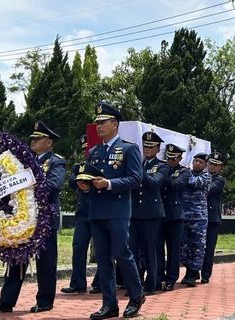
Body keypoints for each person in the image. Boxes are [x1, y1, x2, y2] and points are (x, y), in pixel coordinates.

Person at [0, 121, 66, 313]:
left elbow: (54, 186)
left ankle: (45, 301)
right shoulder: (21, 162)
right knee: (16, 261)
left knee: (46, 262)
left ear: (50, 143)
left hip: (44, 220)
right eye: (33, 138)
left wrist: (28, 184)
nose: (33, 141)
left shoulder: (56, 161)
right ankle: (6, 300)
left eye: (38, 138)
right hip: (21, 219)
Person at [82, 102, 145, 319]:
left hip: (118, 210)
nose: (98, 126)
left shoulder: (129, 149)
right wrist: (85, 184)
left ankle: (137, 296)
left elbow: (136, 178)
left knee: (122, 254)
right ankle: (110, 304)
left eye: (103, 122)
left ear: (115, 124)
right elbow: (89, 177)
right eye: (97, 123)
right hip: (97, 211)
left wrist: (108, 183)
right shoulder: (94, 151)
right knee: (103, 258)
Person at [130, 131, 169, 295]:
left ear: (158, 148)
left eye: (151, 146)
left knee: (149, 249)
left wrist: (138, 171)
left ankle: (151, 283)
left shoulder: (162, 165)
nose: (147, 149)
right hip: (135, 212)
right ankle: (135, 283)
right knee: (133, 249)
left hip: (151, 213)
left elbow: (154, 183)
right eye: (145, 146)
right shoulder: (140, 164)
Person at [61, 135, 101, 295]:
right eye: (84, 149)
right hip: (83, 214)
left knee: (102, 251)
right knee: (78, 248)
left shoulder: (102, 165)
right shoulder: (79, 166)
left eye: (88, 149)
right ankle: (77, 283)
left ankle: (100, 282)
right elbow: (71, 182)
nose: (86, 151)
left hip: (99, 212)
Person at [158, 144, 191, 291]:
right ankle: (159, 276)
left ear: (180, 158)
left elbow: (175, 185)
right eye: (169, 157)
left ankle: (171, 278)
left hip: (175, 215)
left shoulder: (184, 171)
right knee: (158, 248)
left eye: (174, 158)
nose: (170, 160)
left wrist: (161, 178)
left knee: (173, 249)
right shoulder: (161, 168)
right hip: (159, 212)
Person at [180, 153, 211, 287]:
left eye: (200, 162)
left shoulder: (206, 176)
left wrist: (184, 173)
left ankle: (193, 272)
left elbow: (193, 182)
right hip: (185, 216)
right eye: (195, 161)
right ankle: (189, 270)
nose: (197, 164)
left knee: (197, 246)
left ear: (205, 165)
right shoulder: (187, 173)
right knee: (185, 246)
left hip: (199, 217)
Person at [201, 151, 226, 283]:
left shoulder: (219, 180)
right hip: (198, 216)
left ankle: (205, 275)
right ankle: (192, 272)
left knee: (209, 248)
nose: (212, 167)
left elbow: (209, 189)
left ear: (221, 167)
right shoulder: (201, 175)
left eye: (216, 165)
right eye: (211, 163)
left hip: (211, 218)